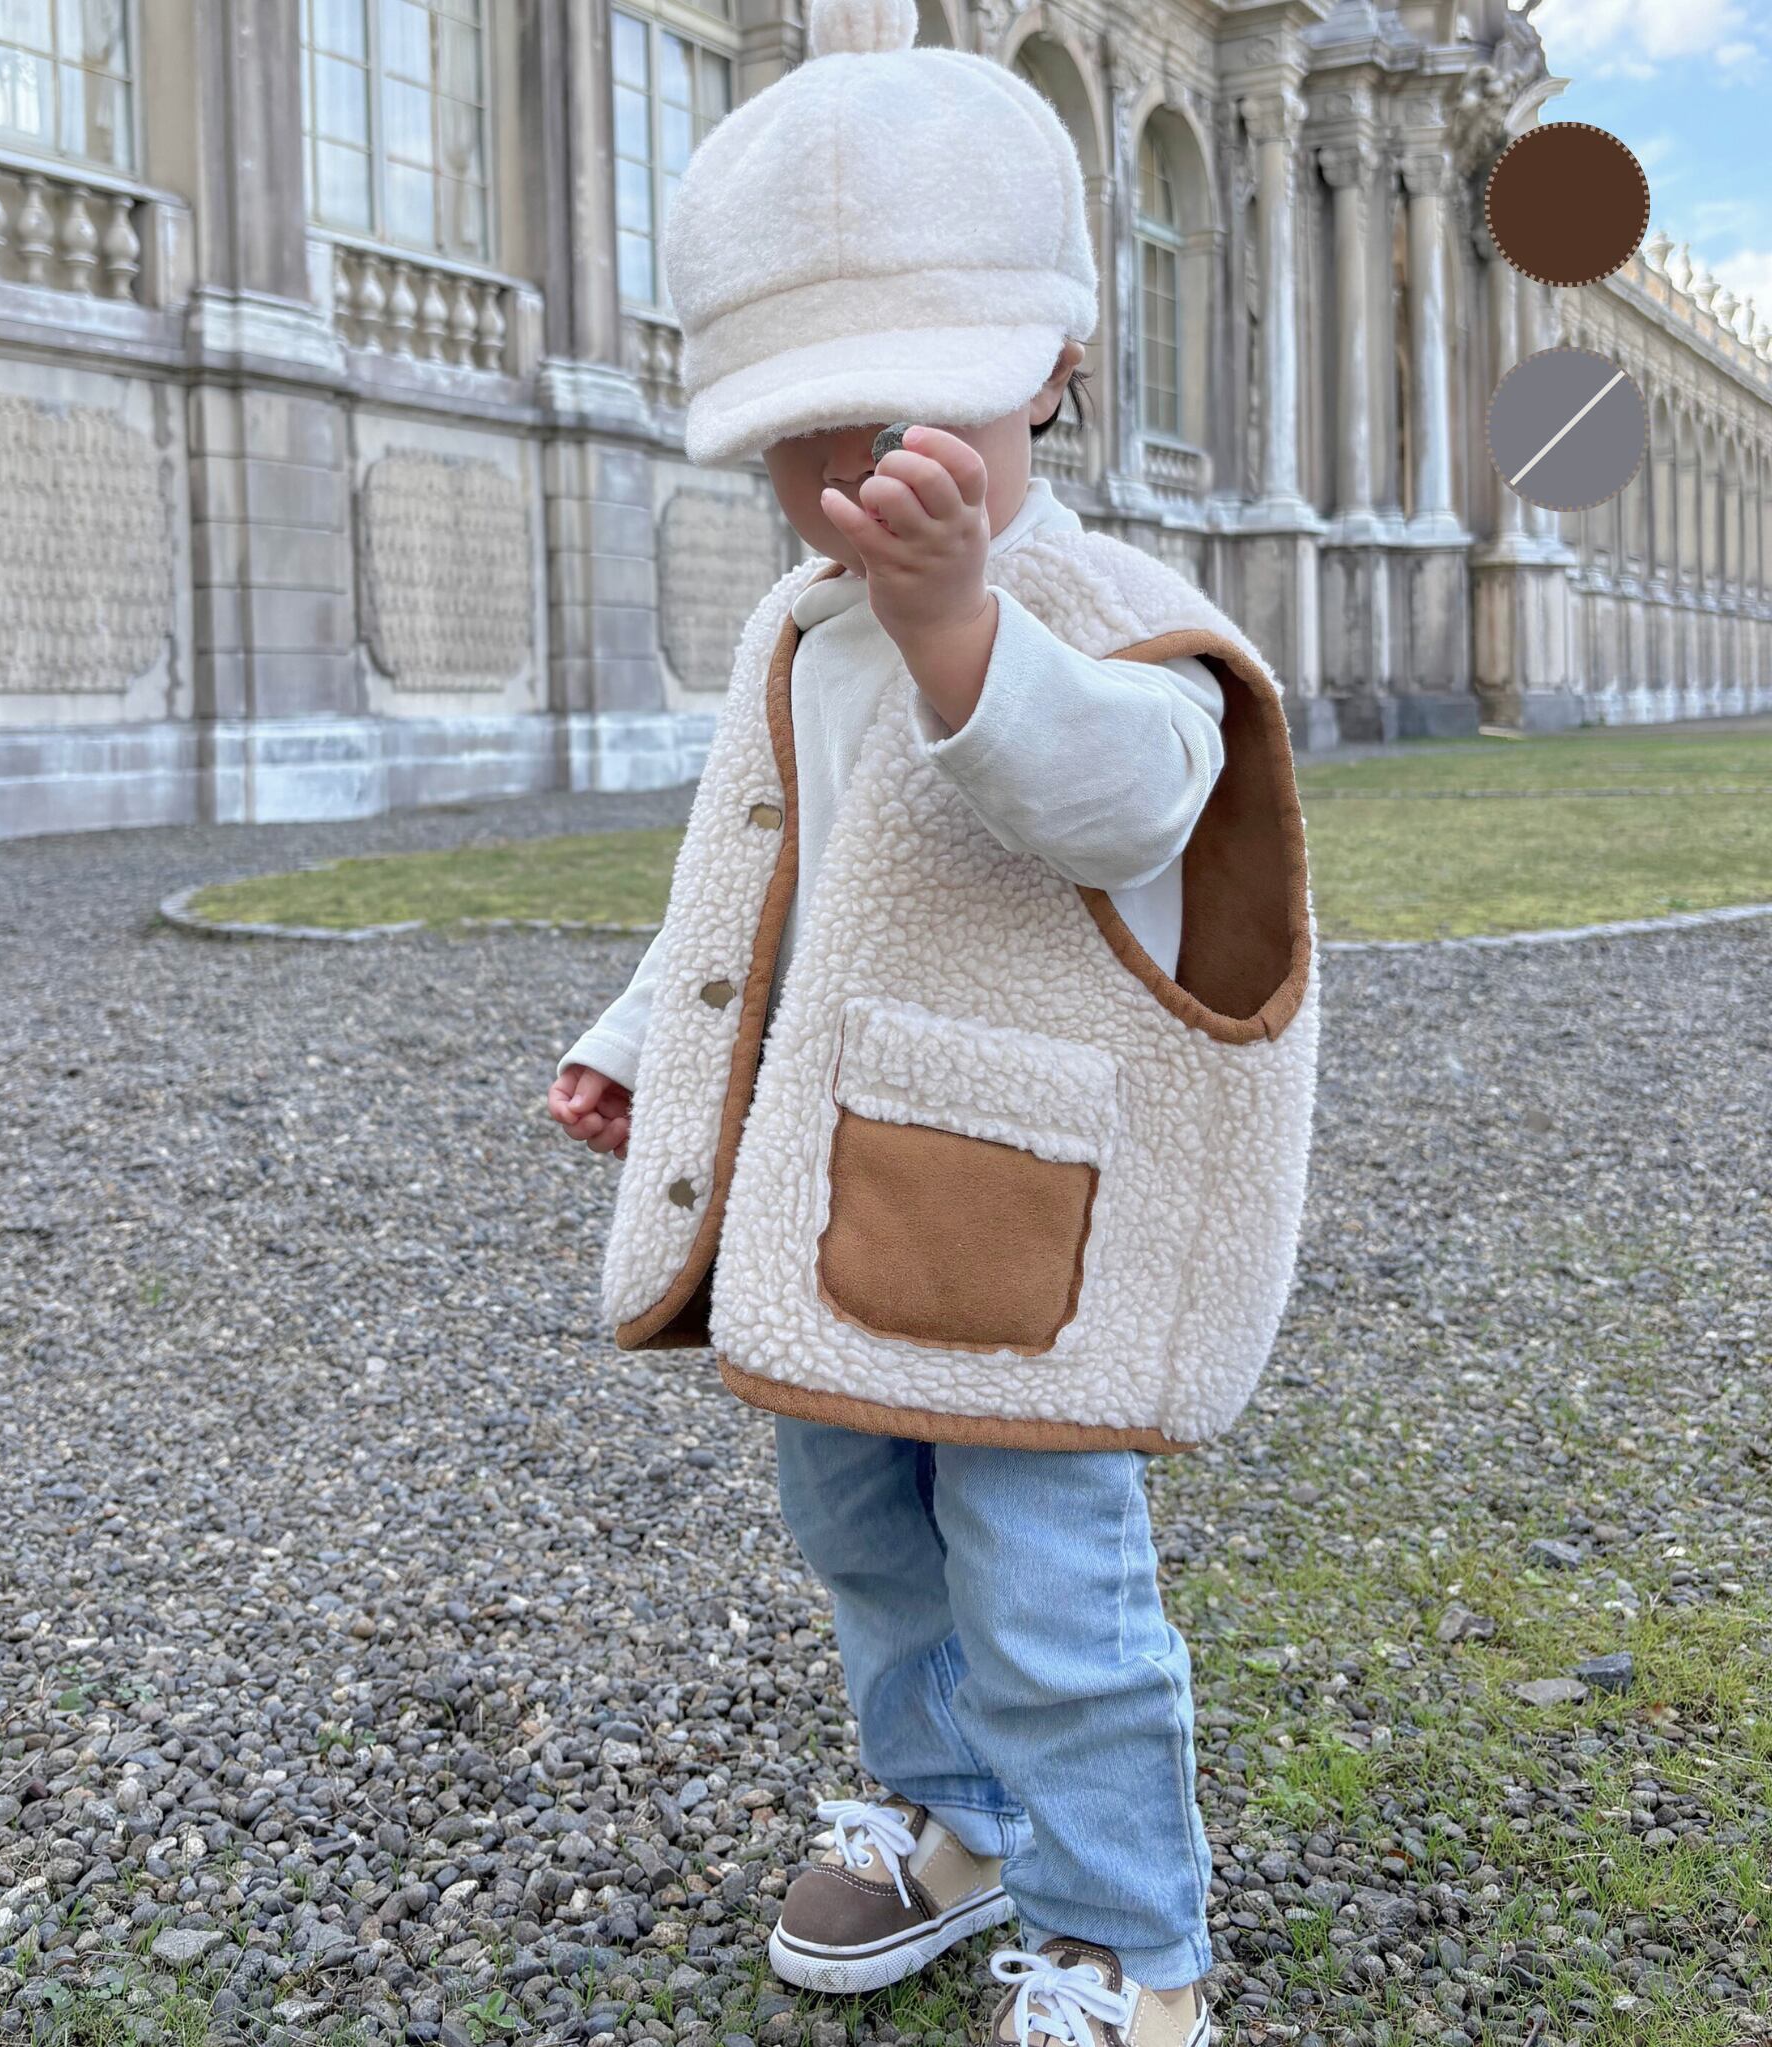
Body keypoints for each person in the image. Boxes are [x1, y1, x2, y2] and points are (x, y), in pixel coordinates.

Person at [549, 2, 1322, 2040]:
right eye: (803, 432)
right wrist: (642, 1033)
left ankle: (1129, 1938)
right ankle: (951, 1818)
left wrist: (962, 629)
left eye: (911, 407)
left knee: (1052, 1587)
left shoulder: (1117, 618)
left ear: (1055, 368)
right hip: (827, 1199)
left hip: (1016, 1220)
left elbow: (1126, 803)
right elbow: (763, 876)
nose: (857, 470)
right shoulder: (797, 626)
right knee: (861, 1537)